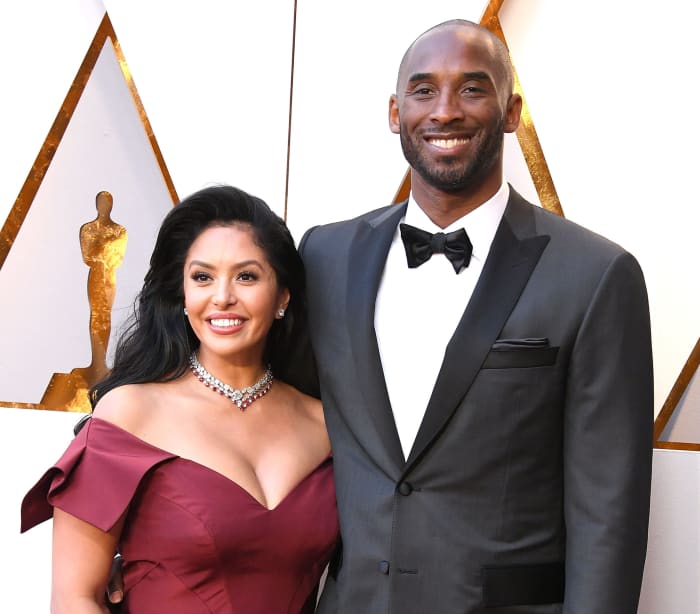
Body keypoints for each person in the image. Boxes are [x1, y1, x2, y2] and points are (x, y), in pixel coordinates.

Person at [298, 19, 653, 613]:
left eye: (472, 88)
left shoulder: (595, 275)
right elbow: (266, 418)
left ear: (511, 111)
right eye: (423, 90)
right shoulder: (325, 257)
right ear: (394, 112)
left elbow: (608, 514)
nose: (445, 111)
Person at [21, 185, 339, 613]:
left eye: (246, 276)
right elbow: (74, 600)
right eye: (202, 277)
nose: (222, 296)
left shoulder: (326, 425)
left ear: (282, 296)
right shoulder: (130, 413)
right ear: (183, 295)